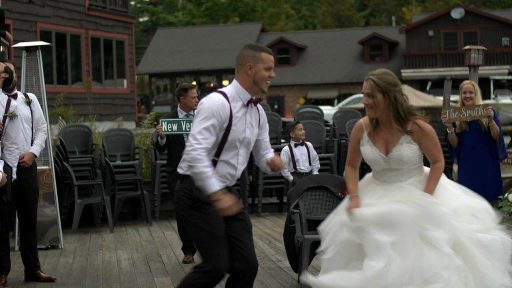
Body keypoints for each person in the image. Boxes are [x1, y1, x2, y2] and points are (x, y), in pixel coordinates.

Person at [301, 68, 512, 288]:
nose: (365, 101)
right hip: (375, 193)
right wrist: (354, 196)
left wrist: (426, 197)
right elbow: (351, 167)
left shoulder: (417, 127)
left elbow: (438, 161)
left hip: (417, 190)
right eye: (364, 95)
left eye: (370, 95)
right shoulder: (360, 128)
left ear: (389, 96)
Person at [174, 43, 283, 288]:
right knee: (215, 266)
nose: (273, 75)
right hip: (196, 190)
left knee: (247, 266)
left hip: (227, 191)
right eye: (268, 69)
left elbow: (262, 153)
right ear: (249, 68)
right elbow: (194, 154)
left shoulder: (258, 112)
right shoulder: (217, 104)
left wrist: (273, 161)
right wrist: (217, 194)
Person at [0, 60, 56, 287]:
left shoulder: (29, 99)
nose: (3, 75)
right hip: (4, 170)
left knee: (29, 221)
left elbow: (42, 129)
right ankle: (1, 273)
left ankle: (33, 269)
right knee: (1, 224)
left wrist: (33, 152)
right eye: (0, 73)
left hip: (27, 168)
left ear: (14, 74)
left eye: (6, 71)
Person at [154, 82, 199, 264]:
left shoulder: (204, 118)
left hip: (202, 173)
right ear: (181, 99)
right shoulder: (168, 120)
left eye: (197, 96)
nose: (197, 100)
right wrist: (162, 137)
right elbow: (160, 148)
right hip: (179, 175)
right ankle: (188, 250)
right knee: (183, 214)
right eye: (193, 97)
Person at [442, 80, 504, 203]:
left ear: (476, 95)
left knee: (491, 201)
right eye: (464, 93)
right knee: (468, 201)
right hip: (467, 165)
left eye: (471, 92)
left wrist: (491, 121)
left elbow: (497, 136)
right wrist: (449, 128)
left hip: (487, 163)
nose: (468, 95)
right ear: (461, 95)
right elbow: (454, 144)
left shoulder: (487, 111)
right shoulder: (455, 115)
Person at [280, 121, 320, 186]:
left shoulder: (309, 145)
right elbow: (283, 168)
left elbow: (315, 161)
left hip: (309, 177)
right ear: (292, 134)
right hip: (296, 178)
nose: (303, 132)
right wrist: (292, 179)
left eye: (303, 129)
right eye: (300, 130)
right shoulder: (286, 150)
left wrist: (315, 173)